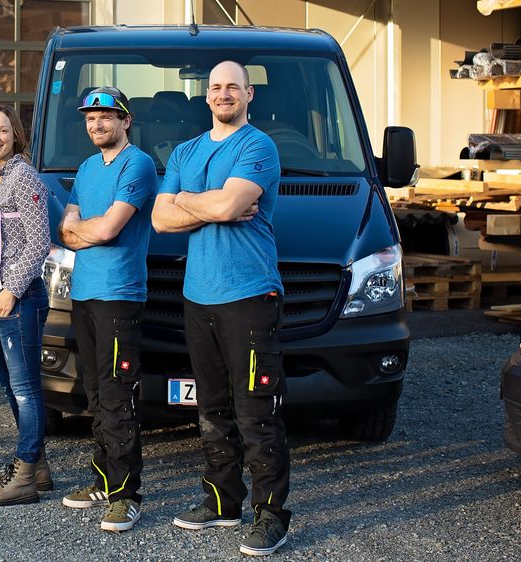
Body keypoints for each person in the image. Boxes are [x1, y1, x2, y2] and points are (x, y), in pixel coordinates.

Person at [150, 60, 291, 557]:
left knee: (256, 412)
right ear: (205, 96)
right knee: (210, 409)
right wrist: (203, 202)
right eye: (215, 88)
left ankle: (271, 515)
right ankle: (221, 502)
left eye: (233, 86)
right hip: (198, 297)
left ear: (249, 95)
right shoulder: (187, 150)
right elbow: (160, 220)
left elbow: (231, 208)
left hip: (249, 296)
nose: (223, 94)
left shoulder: (257, 147)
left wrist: (186, 201)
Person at [57, 87, 158, 532]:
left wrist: (85, 231)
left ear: (125, 121)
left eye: (105, 117)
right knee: (95, 393)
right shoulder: (85, 168)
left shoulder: (137, 164)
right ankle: (103, 479)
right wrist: (85, 231)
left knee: (118, 394)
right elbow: (67, 230)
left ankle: (126, 495)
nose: (97, 125)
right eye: (90, 119)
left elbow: (111, 228)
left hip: (119, 295)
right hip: (85, 294)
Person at [0, 105, 52, 506]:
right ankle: (37, 466)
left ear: (15, 135)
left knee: (25, 388)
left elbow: (39, 242)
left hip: (20, 298)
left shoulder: (24, 176)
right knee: (8, 384)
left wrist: (11, 290)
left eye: (2, 130)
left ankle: (24, 477)